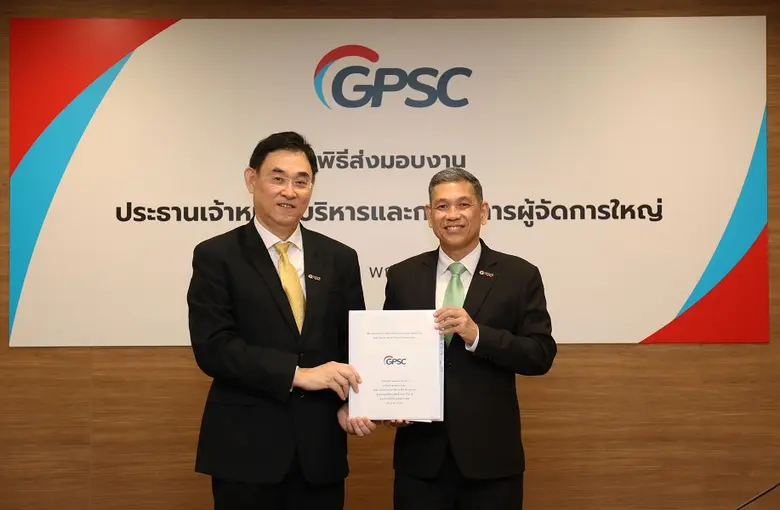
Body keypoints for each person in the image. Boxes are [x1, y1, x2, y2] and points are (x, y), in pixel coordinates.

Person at [186, 131, 375, 510]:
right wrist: (297, 374)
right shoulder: (217, 255)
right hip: (246, 451)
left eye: (301, 181)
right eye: (278, 178)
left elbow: (354, 342)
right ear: (251, 179)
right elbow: (214, 348)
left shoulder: (339, 258)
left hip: (320, 450)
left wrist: (355, 401)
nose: (290, 191)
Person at [381, 167, 557, 509]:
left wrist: (478, 336)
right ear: (429, 215)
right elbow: (390, 352)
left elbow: (540, 354)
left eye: (463, 204)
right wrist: (391, 404)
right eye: (442, 206)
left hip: (491, 461)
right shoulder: (402, 276)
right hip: (420, 460)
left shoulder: (519, 275)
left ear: (483, 211)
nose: (453, 215)